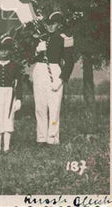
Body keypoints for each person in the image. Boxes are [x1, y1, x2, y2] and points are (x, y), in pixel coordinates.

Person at [31, 11, 75, 146]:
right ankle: (41, 138)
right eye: (48, 24)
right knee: (40, 107)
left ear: (59, 24)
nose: (50, 26)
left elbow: (69, 62)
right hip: (39, 70)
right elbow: (30, 58)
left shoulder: (65, 38)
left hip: (54, 71)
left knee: (54, 107)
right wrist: (37, 51)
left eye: (53, 23)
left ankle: (52, 138)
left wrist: (61, 80)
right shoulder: (41, 37)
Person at [0, 37, 23, 152]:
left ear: (10, 51)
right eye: (1, 49)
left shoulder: (15, 66)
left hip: (10, 93)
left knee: (9, 118)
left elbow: (19, 83)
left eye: (6, 49)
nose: (3, 52)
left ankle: (6, 147)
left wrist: (19, 99)